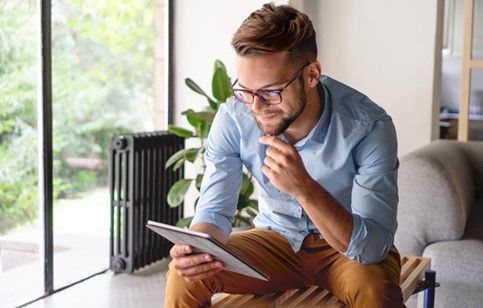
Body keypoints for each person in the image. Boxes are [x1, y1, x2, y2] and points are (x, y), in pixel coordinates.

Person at [165, 2, 403, 307]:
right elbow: (214, 212)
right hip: (275, 241)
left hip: (346, 249)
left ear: (312, 74)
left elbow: (372, 248)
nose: (255, 106)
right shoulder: (234, 118)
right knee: (184, 276)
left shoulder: (369, 127)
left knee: (375, 292)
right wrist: (196, 248)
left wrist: (304, 188)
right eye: (246, 91)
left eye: (270, 92)